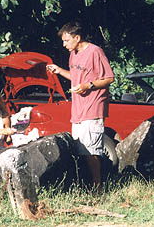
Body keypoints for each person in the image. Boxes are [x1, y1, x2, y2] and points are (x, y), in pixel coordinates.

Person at [46, 21, 115, 191]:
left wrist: (88, 86)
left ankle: (98, 188)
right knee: (81, 150)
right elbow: (76, 77)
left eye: (67, 40)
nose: (64, 44)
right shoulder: (73, 54)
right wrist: (59, 70)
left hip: (93, 107)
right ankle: (86, 185)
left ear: (77, 37)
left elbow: (109, 78)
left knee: (91, 151)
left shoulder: (95, 51)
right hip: (77, 109)